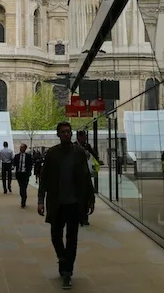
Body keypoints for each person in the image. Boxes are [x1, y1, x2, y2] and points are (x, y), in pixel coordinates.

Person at [38, 122, 94, 290]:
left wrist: (90, 198)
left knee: (72, 238)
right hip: (57, 203)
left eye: (68, 132)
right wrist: (41, 200)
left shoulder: (79, 153)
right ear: (58, 134)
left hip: (74, 203)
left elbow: (86, 177)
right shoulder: (52, 154)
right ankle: (63, 258)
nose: (66, 134)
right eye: (63, 132)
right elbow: (44, 178)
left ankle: (67, 271)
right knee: (55, 235)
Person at [75, 131, 101, 226]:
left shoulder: (87, 146)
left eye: (85, 137)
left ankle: (85, 217)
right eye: (83, 137)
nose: (84, 139)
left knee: (86, 196)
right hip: (76, 176)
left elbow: (95, 157)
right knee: (77, 197)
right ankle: (78, 217)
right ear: (79, 137)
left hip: (86, 175)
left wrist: (90, 153)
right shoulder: (74, 146)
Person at [13, 143, 33, 208]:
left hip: (25, 174)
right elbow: (14, 163)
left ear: (25, 148)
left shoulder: (28, 156)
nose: (20, 148)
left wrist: (29, 172)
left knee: (24, 187)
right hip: (19, 173)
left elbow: (30, 165)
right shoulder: (16, 156)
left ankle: (23, 201)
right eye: (20, 147)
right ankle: (23, 196)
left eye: (22, 147)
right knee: (21, 187)